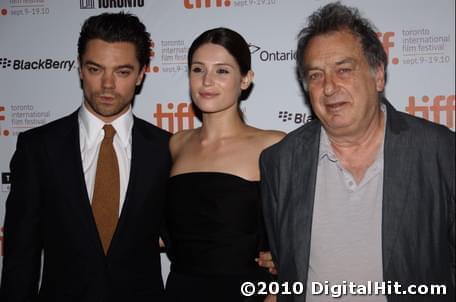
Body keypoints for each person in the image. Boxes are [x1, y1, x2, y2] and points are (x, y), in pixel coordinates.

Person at [260, 2, 455, 302]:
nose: (329, 87)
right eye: (315, 75)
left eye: (344, 69)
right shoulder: (280, 162)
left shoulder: (438, 151)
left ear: (378, 75)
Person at [0, 12, 171, 301]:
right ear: (79, 69)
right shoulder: (38, 147)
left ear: (141, 74)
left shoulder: (166, 149)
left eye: (122, 72)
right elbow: (21, 254)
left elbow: (192, 242)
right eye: (95, 69)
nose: (107, 84)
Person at [164, 27, 285, 302]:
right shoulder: (176, 144)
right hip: (181, 291)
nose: (207, 81)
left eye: (222, 71)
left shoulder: (273, 145)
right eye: (198, 69)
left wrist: (278, 289)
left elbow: (301, 229)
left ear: (245, 79)